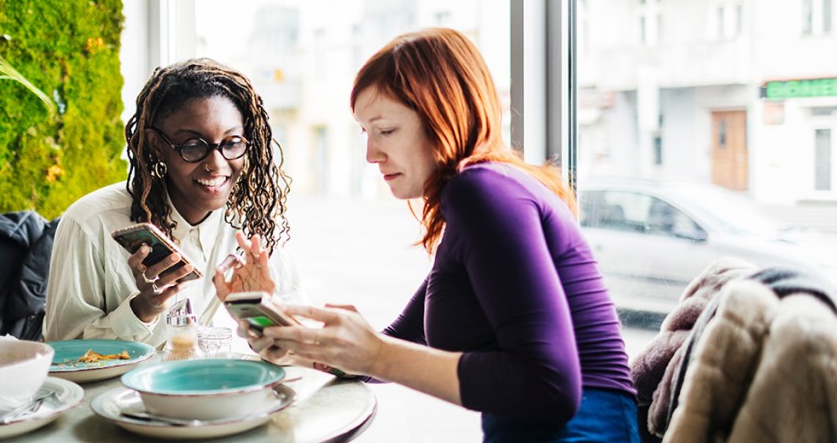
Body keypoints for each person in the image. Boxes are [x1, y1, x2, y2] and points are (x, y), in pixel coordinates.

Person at [246, 28, 639, 442]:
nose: (371, 155)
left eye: (386, 130)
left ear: (441, 118)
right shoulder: (483, 196)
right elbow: (395, 345)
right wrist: (292, 340)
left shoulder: (482, 193)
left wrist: (376, 353)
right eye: (365, 132)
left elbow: (550, 387)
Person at [44, 58, 304, 348]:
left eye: (231, 143)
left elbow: (294, 348)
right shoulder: (90, 223)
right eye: (193, 146)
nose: (216, 165)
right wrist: (143, 309)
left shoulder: (253, 223)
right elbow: (62, 354)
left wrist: (259, 315)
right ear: (157, 146)